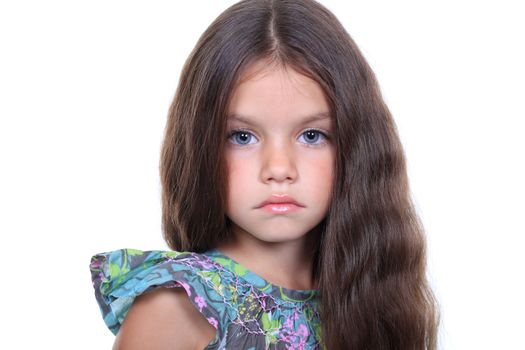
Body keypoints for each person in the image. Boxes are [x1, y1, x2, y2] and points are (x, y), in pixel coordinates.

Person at [89, 0, 439, 349]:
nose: (279, 169)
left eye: (311, 136)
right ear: (199, 145)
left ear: (355, 146)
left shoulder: (372, 300)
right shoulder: (177, 307)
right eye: (243, 137)